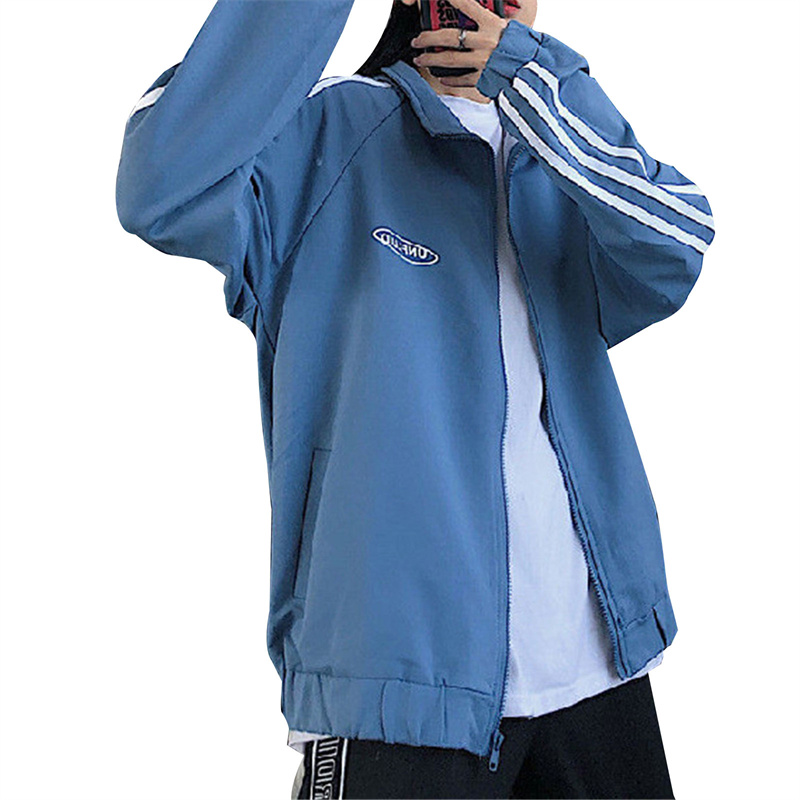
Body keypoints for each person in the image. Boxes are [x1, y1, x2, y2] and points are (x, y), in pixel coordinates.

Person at [116, 0, 714, 797]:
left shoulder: (557, 142)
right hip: (400, 679)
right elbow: (159, 187)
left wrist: (534, 77)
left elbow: (676, 245)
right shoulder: (326, 132)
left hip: (596, 661)